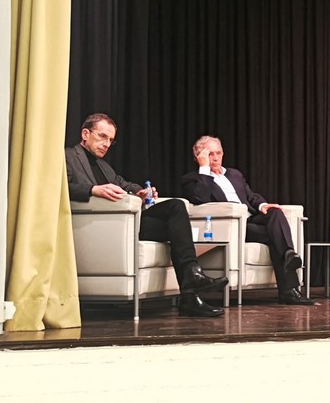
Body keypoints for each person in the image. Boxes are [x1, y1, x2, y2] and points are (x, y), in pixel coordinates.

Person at [66, 113, 226, 318]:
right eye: (102, 136)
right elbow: (60, 188)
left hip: (126, 224)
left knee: (176, 208)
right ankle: (191, 289)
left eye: (110, 140)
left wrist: (141, 192)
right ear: (85, 134)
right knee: (176, 226)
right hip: (103, 226)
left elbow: (123, 184)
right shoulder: (69, 156)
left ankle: (191, 284)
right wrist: (92, 190)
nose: (106, 144)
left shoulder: (103, 166)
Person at [179, 136, 316, 306]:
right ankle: (289, 291)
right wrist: (204, 170)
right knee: (276, 237)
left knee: (275, 213)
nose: (215, 157)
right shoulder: (192, 179)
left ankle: (289, 254)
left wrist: (263, 205)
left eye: (218, 153)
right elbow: (202, 198)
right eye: (210, 154)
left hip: (251, 219)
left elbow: (250, 196)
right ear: (199, 156)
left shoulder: (234, 174)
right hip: (234, 226)